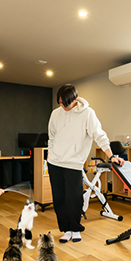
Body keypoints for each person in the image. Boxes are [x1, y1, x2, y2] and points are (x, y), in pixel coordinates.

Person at [47, 84, 124, 243]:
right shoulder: (55, 114)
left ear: (75, 99)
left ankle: (76, 228)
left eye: (66, 103)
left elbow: (99, 136)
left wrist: (111, 156)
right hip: (55, 162)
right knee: (59, 198)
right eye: (60, 103)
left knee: (74, 198)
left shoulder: (88, 114)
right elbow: (52, 136)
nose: (63, 107)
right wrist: (50, 154)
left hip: (73, 163)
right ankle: (66, 229)